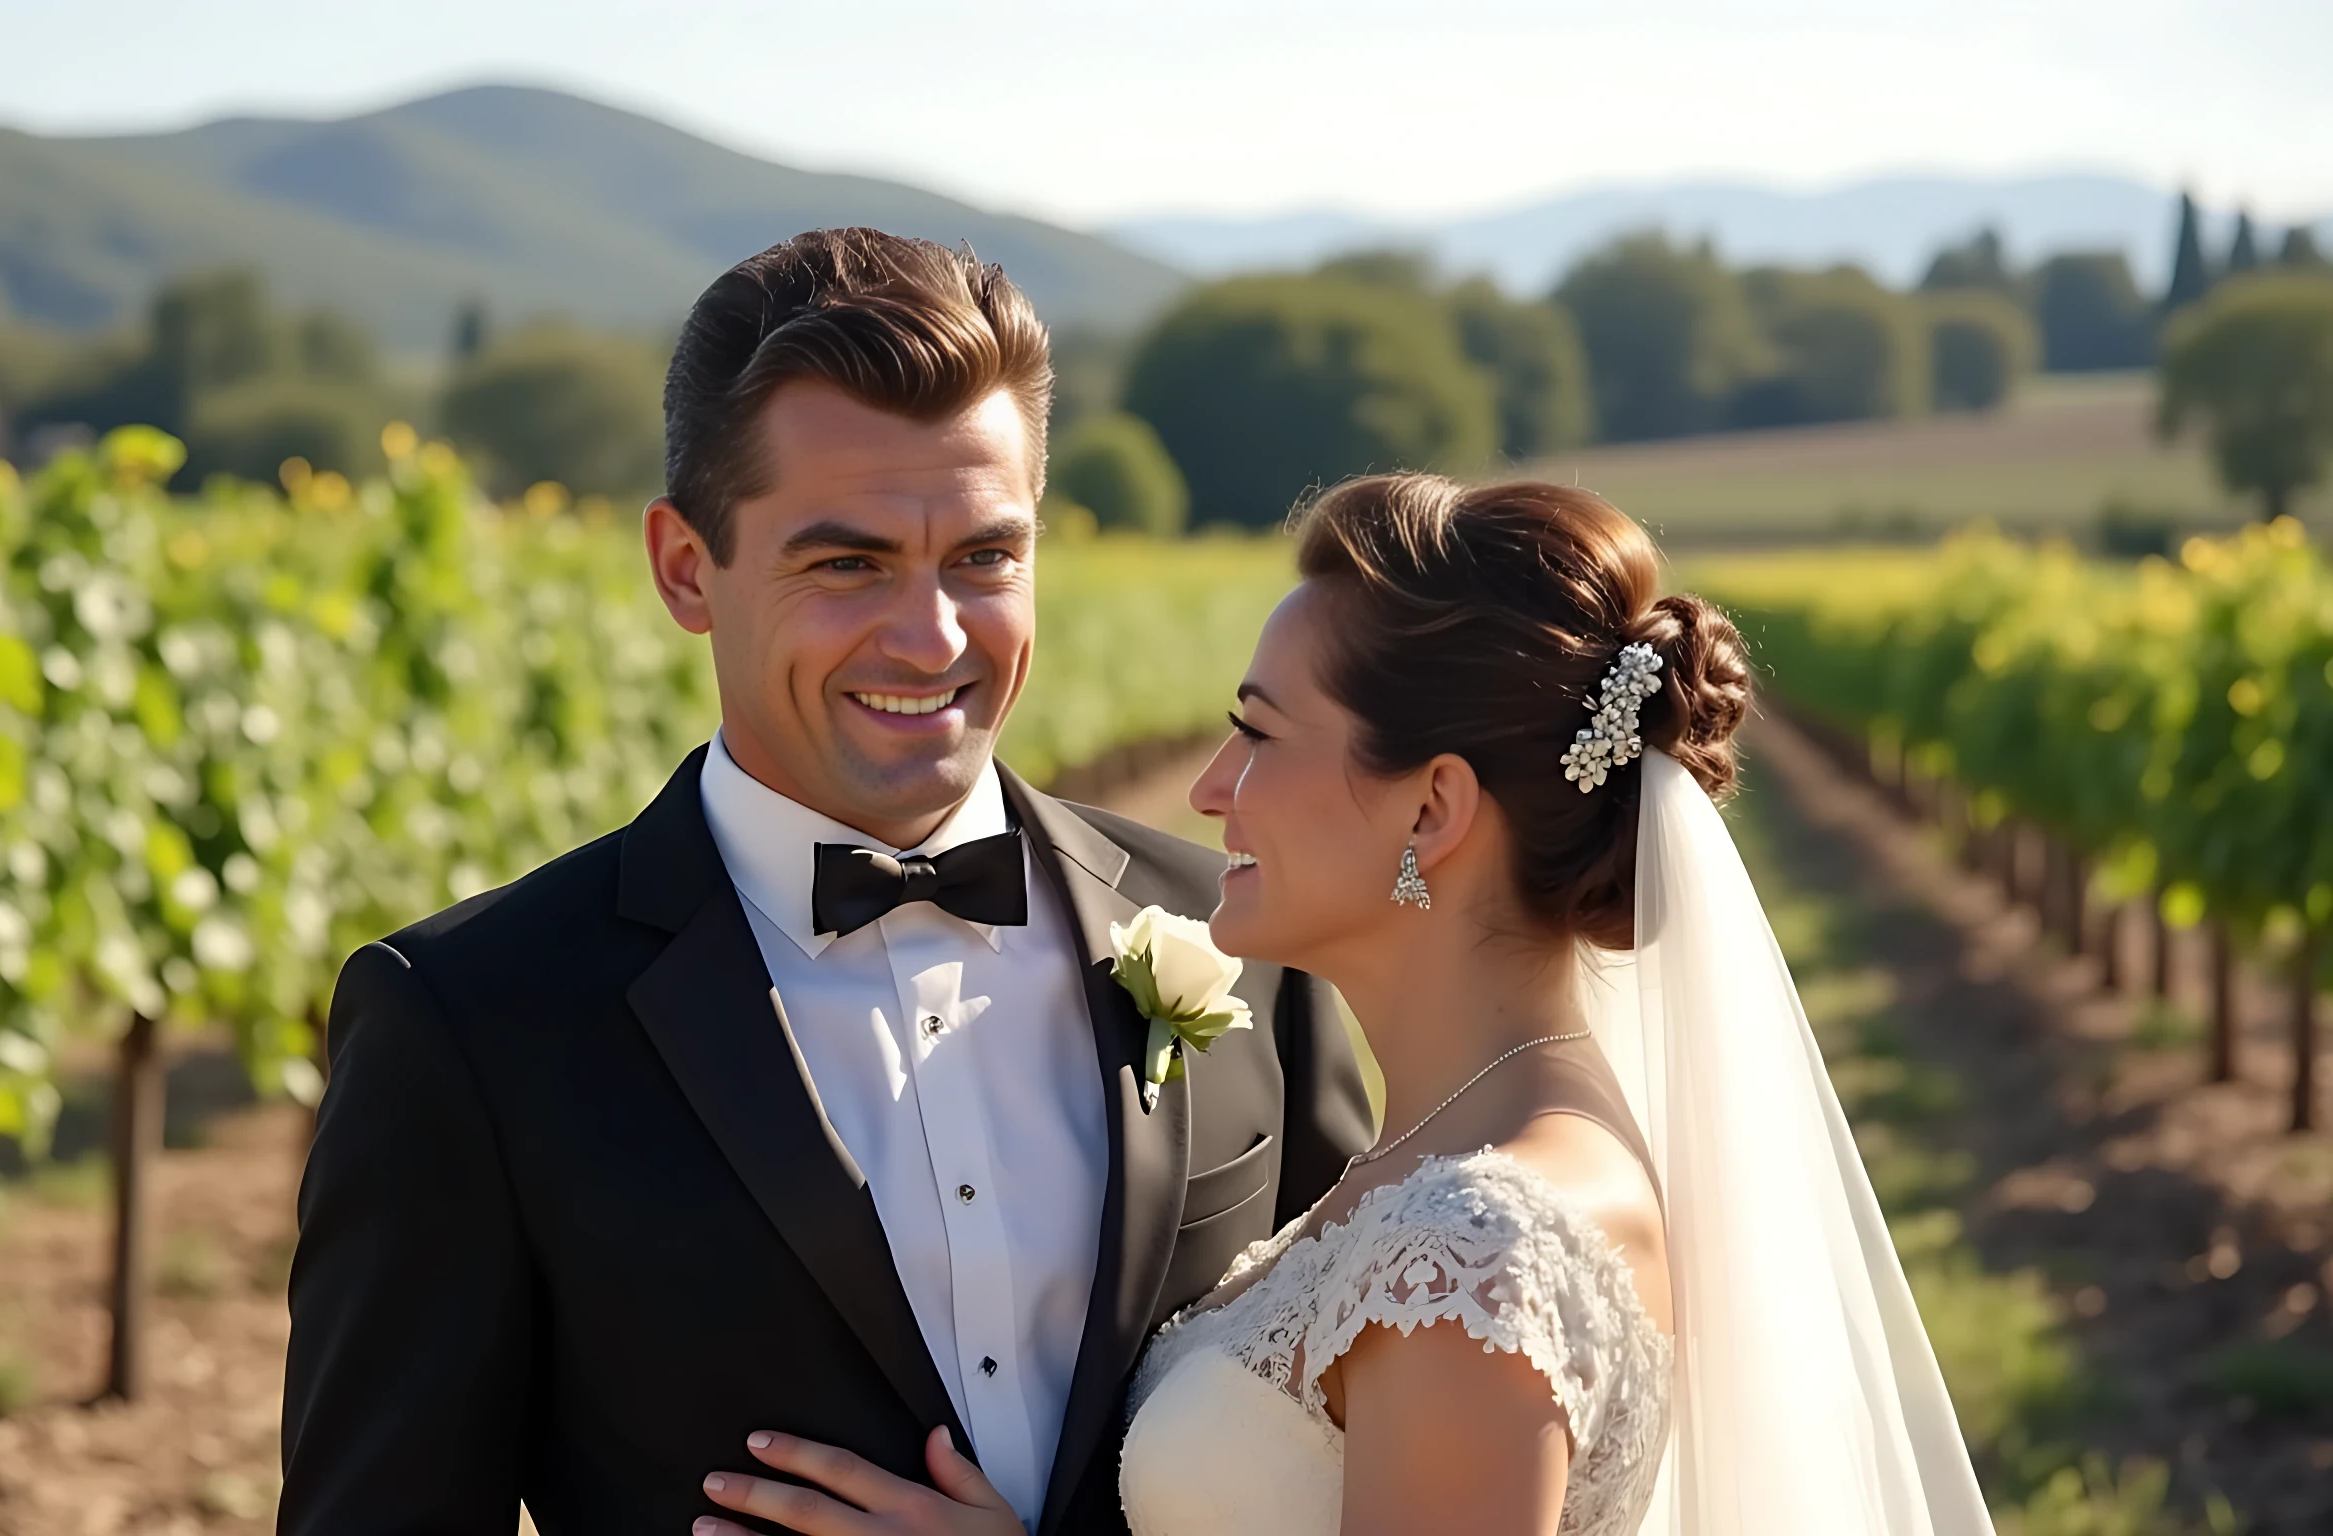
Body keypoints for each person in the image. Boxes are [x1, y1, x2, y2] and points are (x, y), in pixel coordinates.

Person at [276, 227, 1375, 1536]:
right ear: (688, 569)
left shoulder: (1249, 941)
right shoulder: (470, 1024)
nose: (934, 638)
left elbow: (1385, 1475)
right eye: (847, 563)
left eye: (985, 556)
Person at [698, 476, 1998, 1536]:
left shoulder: (1477, 1248)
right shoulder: (1457, 1152)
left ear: (1430, 809)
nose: (1211, 789)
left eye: (1259, 734)